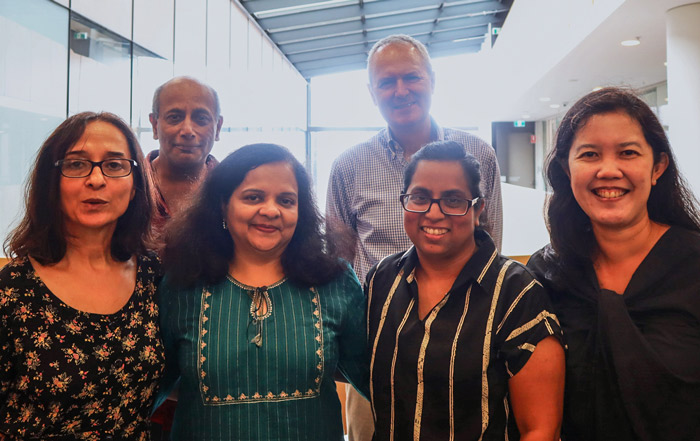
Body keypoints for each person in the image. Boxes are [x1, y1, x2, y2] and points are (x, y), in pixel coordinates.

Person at [326, 33, 503, 440]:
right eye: (387, 82)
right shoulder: (349, 166)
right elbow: (338, 263)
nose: (400, 90)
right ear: (372, 93)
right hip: (374, 353)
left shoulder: (478, 153)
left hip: (465, 346)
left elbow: (490, 243)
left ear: (432, 81)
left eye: (412, 78)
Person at [157, 143, 369, 440]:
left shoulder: (334, 282)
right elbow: (143, 388)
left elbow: (380, 381)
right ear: (222, 204)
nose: (270, 210)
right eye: (253, 197)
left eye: (286, 200)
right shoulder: (182, 285)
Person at [527, 87, 700, 441]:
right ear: (566, 168)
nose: (608, 170)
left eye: (628, 153)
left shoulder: (694, 263)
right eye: (589, 154)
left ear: (658, 167)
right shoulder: (545, 275)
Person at [367, 140, 564, 440]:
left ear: (477, 209)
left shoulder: (516, 292)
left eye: (453, 200)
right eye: (419, 197)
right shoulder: (381, 280)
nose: (433, 213)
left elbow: (540, 429)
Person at [0, 112, 163, 440]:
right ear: (52, 182)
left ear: (135, 187)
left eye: (115, 165)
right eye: (76, 164)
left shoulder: (152, 276)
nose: (96, 180)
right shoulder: (12, 290)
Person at [148, 76, 223, 229]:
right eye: (174, 117)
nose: (188, 130)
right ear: (155, 125)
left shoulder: (232, 190)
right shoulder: (129, 188)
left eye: (201, 118)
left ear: (218, 127)